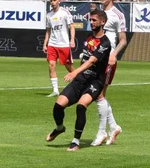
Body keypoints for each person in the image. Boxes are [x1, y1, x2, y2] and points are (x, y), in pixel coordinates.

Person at [47, 10, 112, 151]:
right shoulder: (89, 38)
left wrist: (74, 72)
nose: (92, 22)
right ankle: (59, 128)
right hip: (82, 78)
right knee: (58, 105)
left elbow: (92, 60)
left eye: (95, 20)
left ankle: (75, 141)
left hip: (95, 81)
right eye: (91, 20)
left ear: (102, 22)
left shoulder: (106, 43)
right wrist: (78, 75)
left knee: (81, 106)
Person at [92, 0, 127, 146]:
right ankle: (113, 127)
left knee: (99, 95)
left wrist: (113, 54)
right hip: (97, 58)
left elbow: (123, 40)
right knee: (98, 96)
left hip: (108, 59)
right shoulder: (97, 14)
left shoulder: (118, 15)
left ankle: (102, 132)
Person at [43, 0, 76, 96]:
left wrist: (72, 40)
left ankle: (79, 83)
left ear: (58, 1)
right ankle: (55, 90)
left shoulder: (65, 13)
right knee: (51, 65)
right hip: (52, 44)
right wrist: (45, 44)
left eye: (54, 0)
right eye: (51, 1)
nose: (52, 3)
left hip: (63, 44)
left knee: (69, 67)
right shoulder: (49, 15)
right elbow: (48, 31)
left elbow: (72, 27)